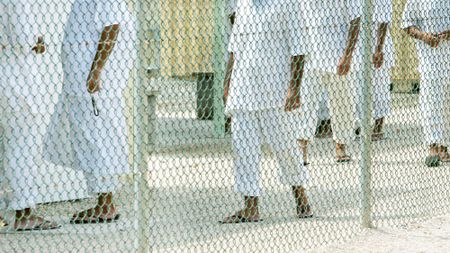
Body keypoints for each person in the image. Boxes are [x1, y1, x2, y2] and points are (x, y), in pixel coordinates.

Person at [44, 0, 135, 223]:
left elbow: (112, 27)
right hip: (82, 86)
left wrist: (96, 70)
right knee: (89, 140)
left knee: (97, 139)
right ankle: (102, 201)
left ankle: (106, 204)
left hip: (92, 86)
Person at [221, 0, 312, 224]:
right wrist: (228, 82)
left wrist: (294, 88)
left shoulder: (287, 5)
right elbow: (234, 47)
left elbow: (299, 50)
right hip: (243, 89)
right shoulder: (242, 5)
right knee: (243, 147)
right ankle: (250, 206)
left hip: (275, 90)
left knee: (284, 146)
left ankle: (300, 194)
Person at [0, 0, 59, 230]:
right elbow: (24, 37)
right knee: (21, 143)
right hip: (17, 78)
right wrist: (38, 40)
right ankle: (24, 213)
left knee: (7, 145)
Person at [295, 0, 362, 163]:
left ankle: (341, 146)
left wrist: (347, 55)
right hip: (311, 55)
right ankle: (302, 147)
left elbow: (356, 21)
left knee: (343, 104)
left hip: (339, 54)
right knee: (305, 103)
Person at [402, 0, 450, 167]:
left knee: (447, 105)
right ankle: (433, 145)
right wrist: (425, 36)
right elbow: (407, 24)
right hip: (430, 60)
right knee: (430, 103)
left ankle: (445, 146)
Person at [355, 0, 394, 141]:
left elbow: (383, 22)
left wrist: (378, 49)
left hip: (378, 40)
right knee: (359, 86)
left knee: (380, 86)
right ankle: (362, 123)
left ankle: (378, 126)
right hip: (359, 39)